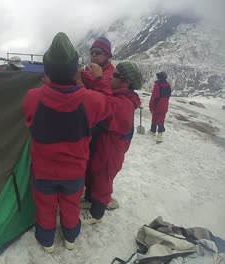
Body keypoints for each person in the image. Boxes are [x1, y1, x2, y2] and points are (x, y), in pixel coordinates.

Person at [23, 32, 112, 253]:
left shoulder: (33, 97)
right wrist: (96, 81)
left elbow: (30, 117)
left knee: (45, 208)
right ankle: (70, 238)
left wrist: (49, 87)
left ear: (48, 71)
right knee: (71, 207)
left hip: (43, 173)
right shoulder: (90, 100)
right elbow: (108, 106)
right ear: (74, 70)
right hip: (74, 174)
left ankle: (47, 242)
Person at [80, 62, 142, 225]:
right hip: (103, 146)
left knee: (103, 180)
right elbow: (102, 89)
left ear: (126, 82)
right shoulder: (119, 95)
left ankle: (96, 213)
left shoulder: (124, 103)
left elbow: (104, 104)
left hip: (111, 151)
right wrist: (84, 75)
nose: (110, 78)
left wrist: (98, 78)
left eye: (115, 76)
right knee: (93, 173)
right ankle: (90, 199)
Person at [149, 71, 171, 143]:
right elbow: (168, 95)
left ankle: (154, 132)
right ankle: (158, 134)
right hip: (164, 105)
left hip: (157, 105)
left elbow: (154, 97)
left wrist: (151, 106)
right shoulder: (168, 85)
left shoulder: (157, 85)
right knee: (161, 119)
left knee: (155, 117)